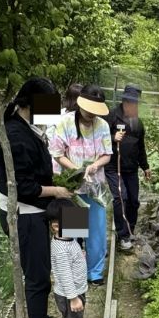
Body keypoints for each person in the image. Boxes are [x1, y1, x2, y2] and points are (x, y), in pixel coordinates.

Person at [0, 77, 73, 318]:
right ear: (30, 104)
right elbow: (24, 187)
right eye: (48, 106)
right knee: (37, 274)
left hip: (35, 210)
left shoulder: (28, 128)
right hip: (23, 214)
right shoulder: (15, 135)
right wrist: (57, 191)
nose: (51, 114)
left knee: (43, 268)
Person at [50, 85, 112, 285]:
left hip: (95, 187)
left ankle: (95, 273)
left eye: (95, 111)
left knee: (96, 231)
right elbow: (57, 154)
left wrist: (95, 165)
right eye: (89, 110)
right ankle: (75, 272)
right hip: (74, 187)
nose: (91, 114)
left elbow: (107, 154)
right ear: (80, 104)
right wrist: (77, 170)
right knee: (74, 232)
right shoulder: (65, 123)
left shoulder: (102, 125)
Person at [46, 199, 97, 318]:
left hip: (72, 291)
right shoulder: (61, 249)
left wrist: (80, 255)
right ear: (56, 226)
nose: (77, 222)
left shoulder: (67, 239)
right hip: (70, 293)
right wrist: (73, 298)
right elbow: (65, 275)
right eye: (72, 219)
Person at [104, 84, 151, 251]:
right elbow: (100, 138)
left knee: (133, 201)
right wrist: (112, 137)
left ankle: (130, 229)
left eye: (136, 103)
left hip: (131, 168)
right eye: (132, 103)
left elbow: (140, 147)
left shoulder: (138, 122)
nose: (134, 106)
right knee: (120, 198)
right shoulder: (111, 116)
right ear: (124, 102)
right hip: (113, 167)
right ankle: (123, 235)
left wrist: (145, 166)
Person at [46, 83, 84, 175]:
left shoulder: (57, 113)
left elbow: (48, 135)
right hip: (62, 159)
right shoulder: (74, 117)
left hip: (58, 158)